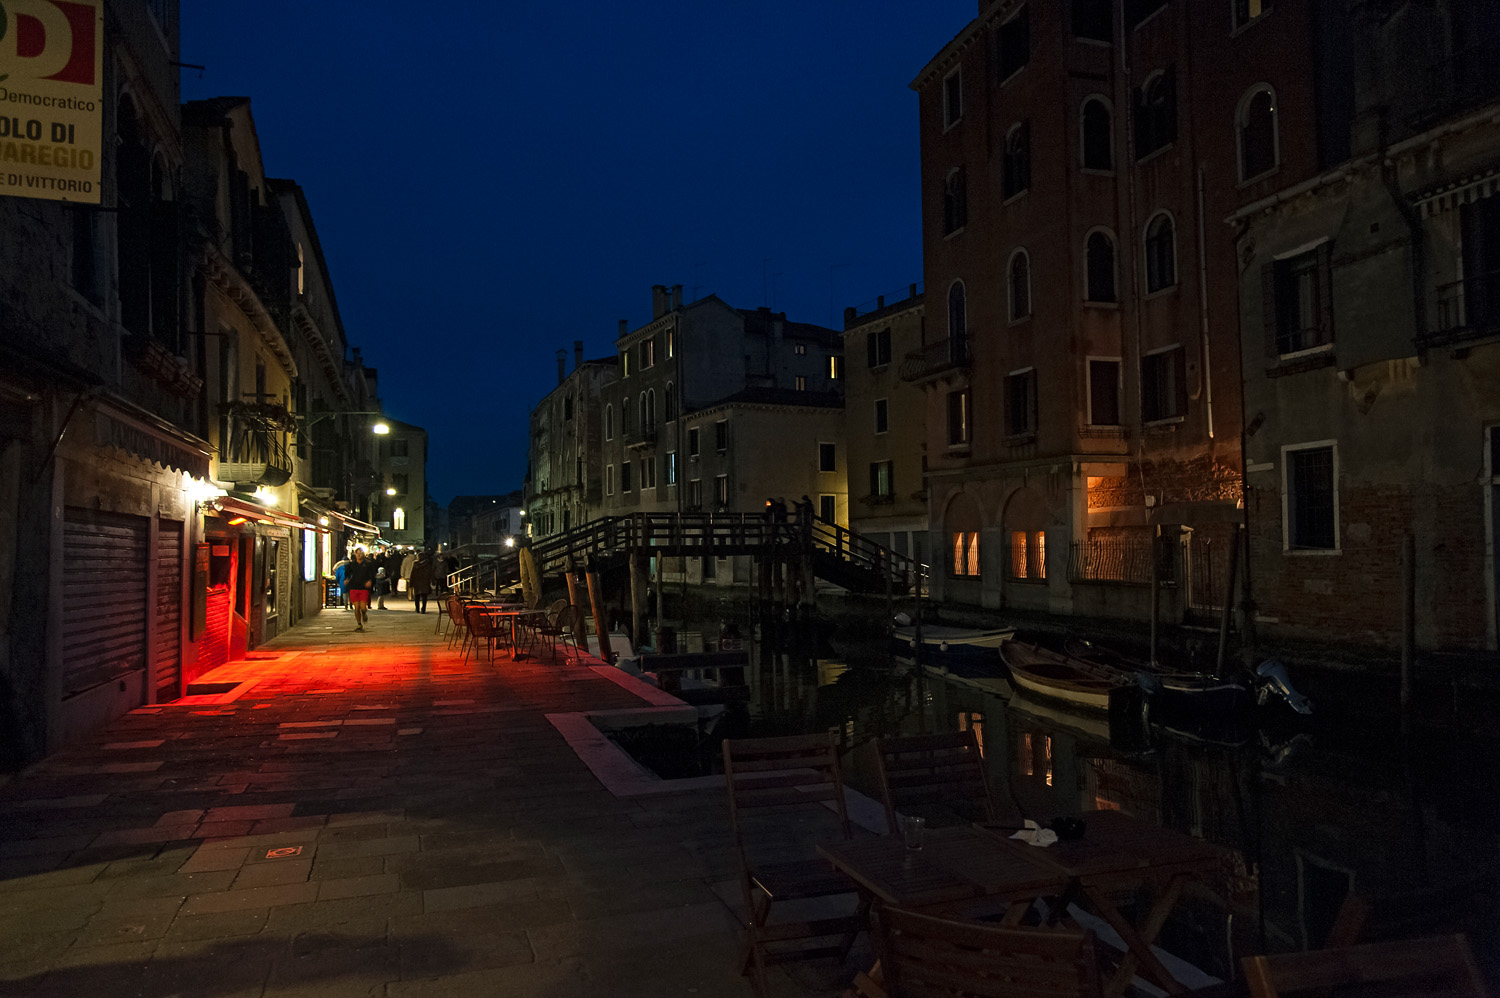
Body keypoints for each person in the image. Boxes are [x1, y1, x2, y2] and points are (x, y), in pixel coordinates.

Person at [345, 548, 377, 631]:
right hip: (354, 587)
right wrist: (347, 579)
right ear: (355, 554)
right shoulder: (351, 564)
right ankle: (359, 624)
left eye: (361, 553)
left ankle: (364, 614)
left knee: (363, 607)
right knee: (356, 607)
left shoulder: (368, 564)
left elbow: (372, 575)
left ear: (363, 554)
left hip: (364, 588)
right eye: (357, 553)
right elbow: (347, 574)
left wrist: (370, 581)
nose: (359, 555)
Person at [409, 549, 435, 614]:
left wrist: (411, 583)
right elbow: (431, 573)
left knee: (417, 596)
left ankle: (417, 609)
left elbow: (412, 574)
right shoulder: (427, 564)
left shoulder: (415, 565)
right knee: (424, 597)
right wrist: (433, 581)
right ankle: (423, 609)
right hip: (425, 582)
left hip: (417, 582)